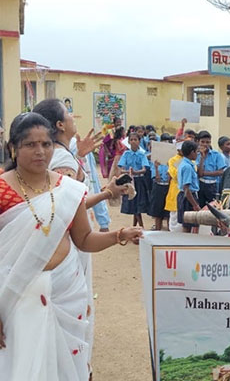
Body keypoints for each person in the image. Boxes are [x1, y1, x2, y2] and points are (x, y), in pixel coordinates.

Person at [0, 112, 142, 381]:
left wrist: (120, 234)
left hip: (66, 291)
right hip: (15, 295)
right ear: (13, 149)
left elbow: (84, 240)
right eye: (30, 144)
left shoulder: (68, 189)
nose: (40, 151)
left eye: (46, 144)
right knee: (20, 367)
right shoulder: (2, 190)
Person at [118, 132, 151, 227]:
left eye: (135, 140)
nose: (133, 142)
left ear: (139, 141)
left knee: (137, 205)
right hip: (129, 181)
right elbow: (121, 169)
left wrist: (135, 172)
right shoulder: (126, 154)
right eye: (131, 140)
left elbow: (144, 169)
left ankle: (139, 227)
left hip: (139, 181)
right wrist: (128, 172)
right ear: (128, 142)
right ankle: (140, 227)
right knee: (133, 205)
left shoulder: (142, 154)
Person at [195, 130, 226, 206]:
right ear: (198, 142)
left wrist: (205, 173)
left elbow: (221, 172)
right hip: (200, 184)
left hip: (213, 185)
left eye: (207, 142)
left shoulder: (216, 155)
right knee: (200, 206)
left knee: (213, 206)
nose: (205, 144)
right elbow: (199, 173)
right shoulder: (195, 155)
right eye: (202, 142)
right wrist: (202, 158)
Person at [177, 140, 201, 233]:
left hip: (184, 196)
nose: (197, 154)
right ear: (192, 152)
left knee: (187, 224)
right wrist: (195, 205)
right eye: (197, 151)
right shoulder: (187, 167)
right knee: (188, 224)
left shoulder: (184, 163)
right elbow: (186, 188)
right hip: (188, 197)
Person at [165, 142, 185, 233]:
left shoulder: (190, 160)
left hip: (186, 190)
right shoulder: (172, 160)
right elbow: (175, 175)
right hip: (175, 188)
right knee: (174, 216)